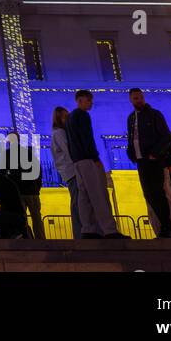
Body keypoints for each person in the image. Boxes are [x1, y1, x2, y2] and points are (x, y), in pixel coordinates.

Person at [66, 90, 127, 239]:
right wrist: (95, 157)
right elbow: (87, 138)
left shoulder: (70, 118)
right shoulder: (82, 116)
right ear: (80, 100)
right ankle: (109, 229)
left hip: (77, 161)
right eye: (88, 100)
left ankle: (88, 228)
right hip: (87, 159)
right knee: (98, 194)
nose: (91, 103)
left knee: (84, 195)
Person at [125, 88, 171, 238]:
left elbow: (167, 136)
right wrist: (131, 154)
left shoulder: (154, 115)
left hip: (153, 160)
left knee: (158, 193)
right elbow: (131, 137)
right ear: (131, 100)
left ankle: (167, 227)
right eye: (135, 98)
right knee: (149, 195)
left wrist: (155, 153)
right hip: (141, 161)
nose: (138, 100)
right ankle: (164, 227)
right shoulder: (131, 118)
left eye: (140, 97)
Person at [0, 131, 44, 239]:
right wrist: (37, 187)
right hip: (31, 191)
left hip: (18, 192)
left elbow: (2, 174)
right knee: (37, 218)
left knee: (21, 218)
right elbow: (38, 170)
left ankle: (26, 238)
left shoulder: (6, 154)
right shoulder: (28, 152)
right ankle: (41, 240)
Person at [50, 106, 81, 238]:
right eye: (65, 116)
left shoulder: (59, 133)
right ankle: (79, 233)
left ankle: (81, 232)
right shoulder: (60, 133)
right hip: (73, 171)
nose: (68, 119)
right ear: (59, 118)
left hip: (70, 171)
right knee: (78, 202)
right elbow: (69, 151)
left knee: (79, 202)